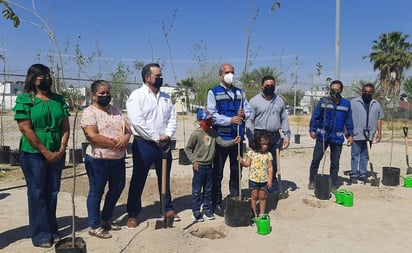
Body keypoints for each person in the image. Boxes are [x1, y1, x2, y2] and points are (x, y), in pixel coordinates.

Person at [12, 64, 70, 248]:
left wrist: (61, 148)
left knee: (52, 192)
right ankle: (41, 234)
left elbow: (65, 127)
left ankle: (53, 229)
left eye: (48, 76)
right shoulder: (25, 99)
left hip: (57, 151)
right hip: (34, 153)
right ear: (33, 79)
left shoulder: (59, 100)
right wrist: (45, 151)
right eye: (42, 76)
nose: (46, 79)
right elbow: (25, 128)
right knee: (37, 193)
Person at [126, 63, 178, 228]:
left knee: (164, 177)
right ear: (147, 78)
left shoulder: (165, 97)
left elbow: (172, 118)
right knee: (138, 178)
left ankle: (166, 208)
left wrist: (168, 135)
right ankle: (133, 213)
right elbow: (137, 122)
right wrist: (156, 137)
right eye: (158, 76)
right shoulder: (137, 96)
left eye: (161, 75)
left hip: (164, 144)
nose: (161, 78)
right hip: (144, 144)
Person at [81, 80, 131, 239]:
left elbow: (126, 128)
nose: (105, 96)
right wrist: (115, 143)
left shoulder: (115, 110)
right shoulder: (89, 112)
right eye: (101, 93)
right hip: (98, 159)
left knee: (118, 187)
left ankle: (106, 218)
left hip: (117, 159)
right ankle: (94, 225)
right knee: (97, 191)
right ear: (93, 95)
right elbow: (92, 136)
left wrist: (126, 138)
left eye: (107, 92)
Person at [206, 63, 251, 214]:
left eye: (232, 72)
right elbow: (211, 115)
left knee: (236, 170)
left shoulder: (240, 92)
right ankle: (216, 202)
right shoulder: (214, 92)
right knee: (217, 172)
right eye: (227, 72)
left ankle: (234, 196)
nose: (230, 74)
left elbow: (249, 110)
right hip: (221, 139)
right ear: (220, 75)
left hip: (237, 138)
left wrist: (244, 114)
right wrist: (229, 120)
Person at [184, 109, 241, 222]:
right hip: (199, 166)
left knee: (208, 190)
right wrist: (194, 161)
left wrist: (233, 142)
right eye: (207, 120)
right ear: (200, 121)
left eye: (210, 120)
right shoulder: (196, 134)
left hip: (209, 166)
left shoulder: (213, 133)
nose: (210, 122)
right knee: (196, 190)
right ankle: (196, 211)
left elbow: (221, 142)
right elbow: (188, 148)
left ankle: (207, 209)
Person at [246, 76, 291, 194]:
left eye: (272, 85)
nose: (270, 87)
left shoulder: (279, 101)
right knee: (257, 162)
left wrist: (287, 135)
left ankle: (271, 188)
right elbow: (249, 120)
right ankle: (255, 187)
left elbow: (284, 119)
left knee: (273, 163)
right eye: (267, 85)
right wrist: (250, 137)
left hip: (275, 136)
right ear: (262, 86)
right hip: (259, 134)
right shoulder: (254, 101)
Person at [308, 80, 353, 191]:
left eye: (337, 89)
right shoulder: (324, 101)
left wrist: (350, 135)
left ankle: (333, 182)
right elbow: (315, 116)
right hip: (323, 136)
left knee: (335, 162)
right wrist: (312, 129)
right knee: (316, 159)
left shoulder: (346, 104)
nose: (334, 91)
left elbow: (349, 121)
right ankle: (312, 180)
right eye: (332, 89)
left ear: (341, 90)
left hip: (337, 137)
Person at [349, 83, 384, 184]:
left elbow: (379, 119)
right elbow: (348, 117)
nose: (367, 93)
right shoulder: (354, 102)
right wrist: (348, 132)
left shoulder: (376, 104)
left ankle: (363, 174)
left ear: (372, 92)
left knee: (365, 155)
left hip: (369, 135)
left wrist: (379, 132)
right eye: (365, 92)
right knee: (355, 155)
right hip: (357, 133)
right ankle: (354, 174)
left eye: (370, 92)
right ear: (362, 91)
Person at [238, 133, 273, 218]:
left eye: (267, 144)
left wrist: (270, 179)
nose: (265, 146)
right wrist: (241, 161)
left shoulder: (268, 155)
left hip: (264, 180)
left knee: (262, 196)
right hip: (253, 180)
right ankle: (254, 213)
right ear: (257, 143)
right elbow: (247, 164)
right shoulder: (251, 153)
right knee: (254, 196)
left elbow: (270, 168)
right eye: (263, 144)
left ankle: (262, 213)